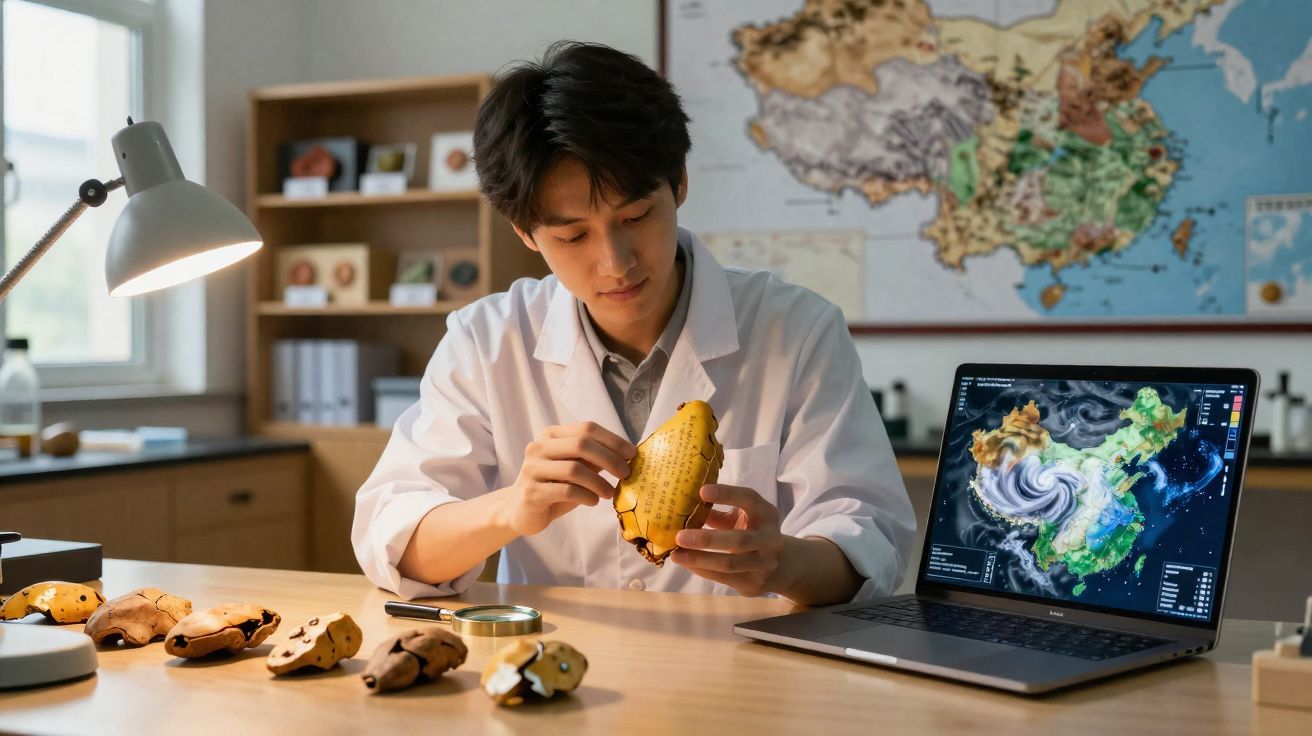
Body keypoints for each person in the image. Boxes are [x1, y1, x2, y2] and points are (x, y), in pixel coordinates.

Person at [351, 41, 915, 606]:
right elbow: (394, 545)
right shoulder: (486, 341)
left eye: (637, 216)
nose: (616, 262)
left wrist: (783, 563)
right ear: (525, 233)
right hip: (553, 674)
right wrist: (511, 507)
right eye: (572, 236)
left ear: (680, 184)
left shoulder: (796, 329)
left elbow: (870, 543)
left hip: (748, 674)